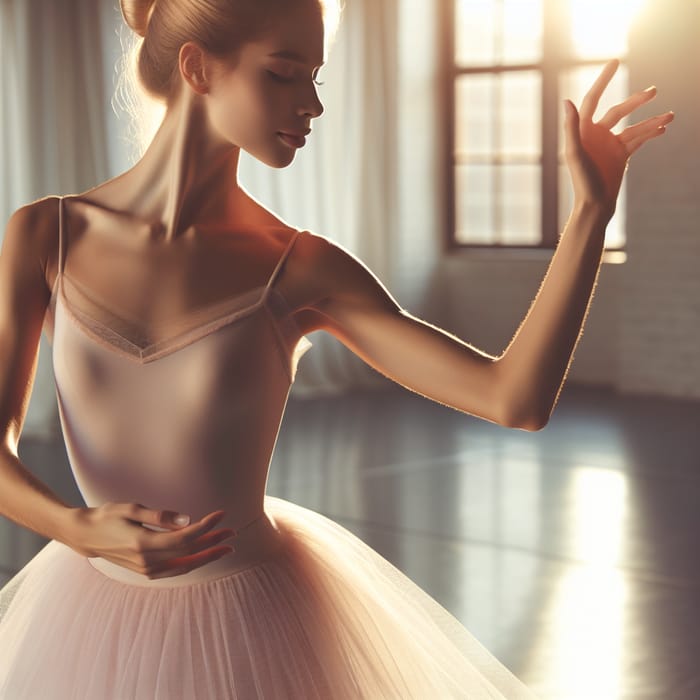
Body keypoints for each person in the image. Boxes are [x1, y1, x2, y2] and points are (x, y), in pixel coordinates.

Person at [0, 0, 673, 697]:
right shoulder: (46, 237)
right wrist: (79, 530)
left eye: (315, 77)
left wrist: (591, 214)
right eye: (286, 74)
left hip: (250, 628)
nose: (313, 104)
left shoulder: (301, 270)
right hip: (84, 619)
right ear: (197, 67)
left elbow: (514, 399)